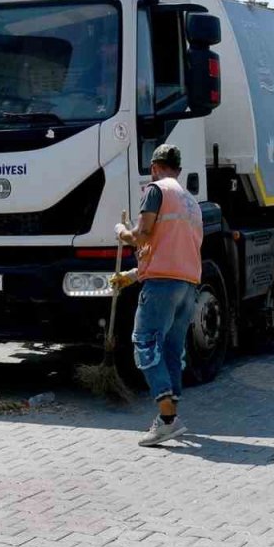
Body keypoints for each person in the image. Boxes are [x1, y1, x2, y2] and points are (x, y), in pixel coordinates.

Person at [112, 143, 204, 447]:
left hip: (162, 286)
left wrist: (122, 232)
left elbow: (143, 234)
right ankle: (170, 416)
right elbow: (171, 253)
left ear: (154, 167)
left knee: (146, 343)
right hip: (187, 285)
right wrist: (129, 277)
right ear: (178, 169)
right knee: (171, 350)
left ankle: (167, 418)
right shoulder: (192, 203)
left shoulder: (156, 191)